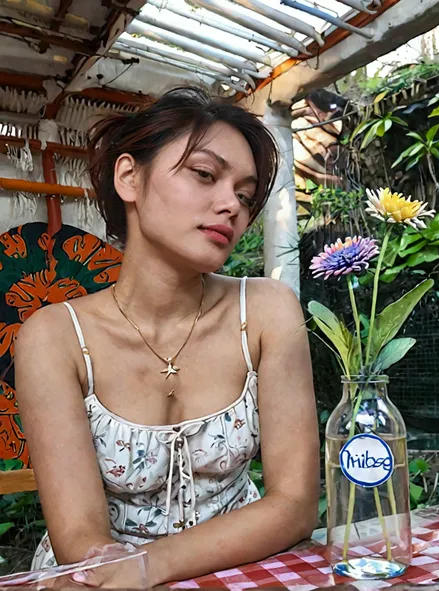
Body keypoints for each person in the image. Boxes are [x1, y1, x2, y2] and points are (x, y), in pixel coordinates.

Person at [15, 86, 320, 588]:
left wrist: (150, 563)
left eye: (245, 196)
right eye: (205, 174)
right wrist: (121, 570)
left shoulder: (266, 310)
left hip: (240, 570)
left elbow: (294, 504)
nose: (232, 207)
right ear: (130, 178)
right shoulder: (54, 339)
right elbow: (81, 536)